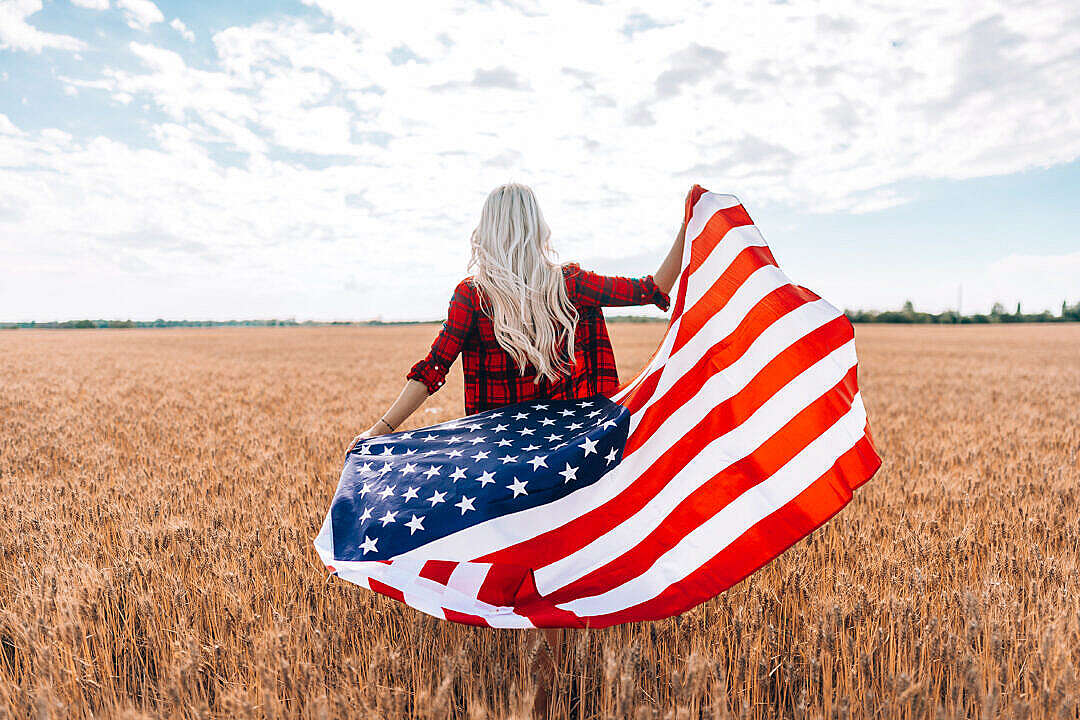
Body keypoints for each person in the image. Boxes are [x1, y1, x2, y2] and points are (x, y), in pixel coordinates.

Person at [347, 182, 688, 717]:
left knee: (513, 554)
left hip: (502, 460)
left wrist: (383, 428)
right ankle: (552, 682)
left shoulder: (473, 294)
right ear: (536, 227)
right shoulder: (568, 284)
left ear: (488, 230)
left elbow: (433, 367)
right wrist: (689, 222)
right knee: (557, 556)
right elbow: (655, 286)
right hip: (572, 451)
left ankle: (532, 680)